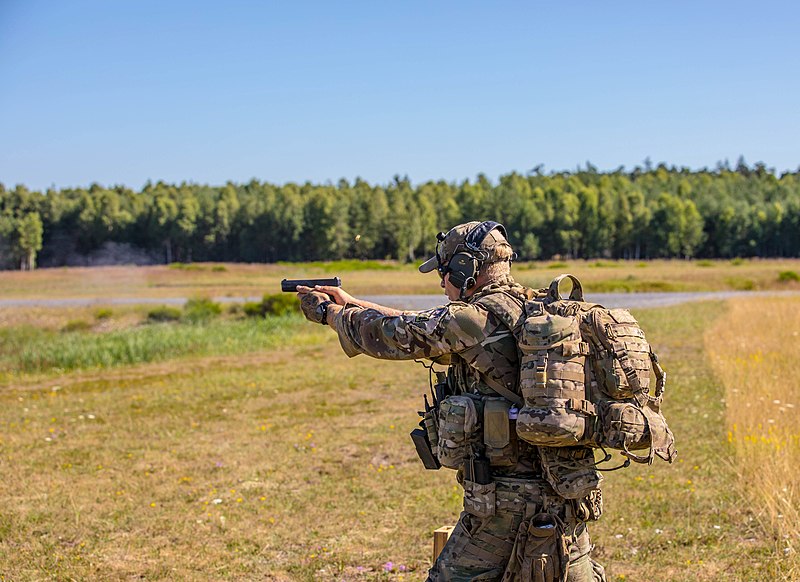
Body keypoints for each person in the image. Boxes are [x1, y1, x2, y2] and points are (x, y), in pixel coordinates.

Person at [297, 221, 605, 582]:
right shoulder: (536, 308)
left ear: (466, 269)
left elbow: (391, 335)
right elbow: (418, 322)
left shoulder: (470, 319)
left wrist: (329, 314)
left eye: (445, 273)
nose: (442, 283)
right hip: (567, 488)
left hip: (506, 501)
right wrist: (353, 303)